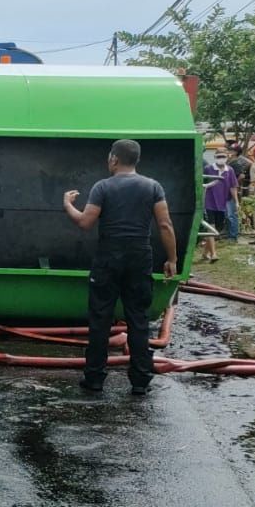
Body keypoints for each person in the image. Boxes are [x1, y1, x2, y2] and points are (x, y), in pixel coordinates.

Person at [62, 139, 179, 395]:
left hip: (108, 257)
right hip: (140, 257)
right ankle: (140, 381)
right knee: (138, 318)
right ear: (136, 160)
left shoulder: (102, 187)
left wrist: (67, 204)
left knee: (100, 318)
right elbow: (165, 225)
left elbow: (85, 222)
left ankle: (94, 379)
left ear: (114, 159)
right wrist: (172, 259)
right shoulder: (153, 187)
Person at [201, 150, 238, 263]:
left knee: (217, 228)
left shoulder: (229, 170)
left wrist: (236, 202)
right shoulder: (208, 169)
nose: (221, 158)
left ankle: (205, 253)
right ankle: (214, 254)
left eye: (223, 156)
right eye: (219, 156)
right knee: (211, 227)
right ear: (215, 157)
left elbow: (233, 186)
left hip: (222, 203)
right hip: (209, 202)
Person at [224, 145, 249, 240]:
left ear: (235, 152)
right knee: (228, 214)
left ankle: (233, 236)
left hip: (231, 192)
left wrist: (234, 184)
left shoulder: (236, 163)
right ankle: (229, 234)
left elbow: (241, 176)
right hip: (226, 191)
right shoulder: (230, 161)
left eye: (229, 150)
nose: (228, 151)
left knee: (231, 215)